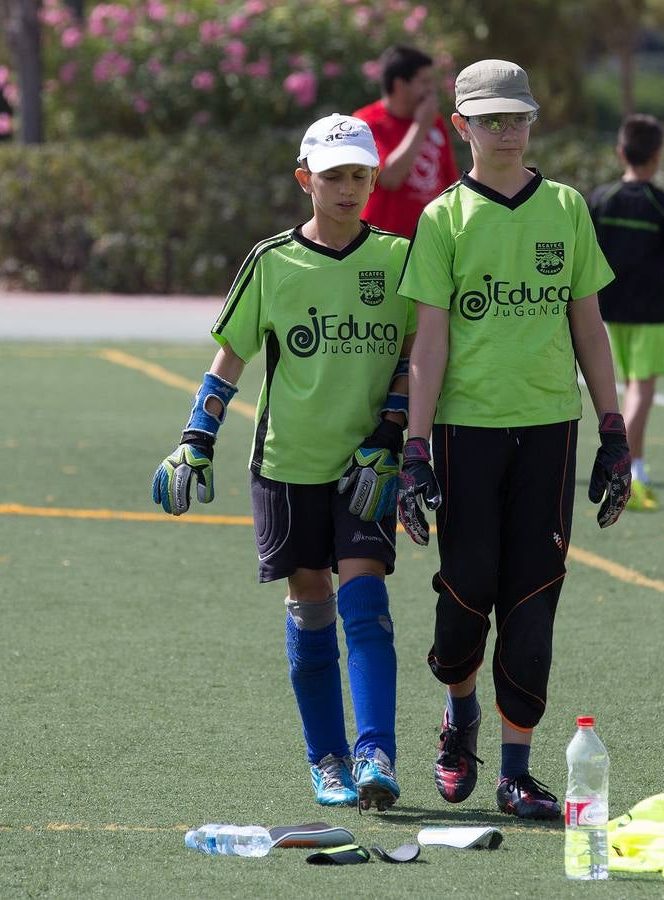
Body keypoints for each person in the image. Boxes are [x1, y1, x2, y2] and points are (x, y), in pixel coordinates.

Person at [151, 113, 418, 812]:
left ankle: (376, 754)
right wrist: (195, 437)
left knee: (368, 606)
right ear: (306, 179)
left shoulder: (397, 257)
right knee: (311, 609)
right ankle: (327, 758)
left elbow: (414, 358)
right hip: (287, 465)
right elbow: (230, 357)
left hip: (367, 469)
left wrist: (390, 436)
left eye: (360, 174)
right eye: (333, 176)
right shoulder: (272, 260)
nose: (348, 188)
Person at [393, 59, 632, 820]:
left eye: (517, 117)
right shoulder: (441, 218)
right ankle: (458, 719)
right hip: (465, 434)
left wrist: (613, 430)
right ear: (460, 126)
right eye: (490, 119)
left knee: (532, 601)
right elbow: (428, 342)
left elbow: (588, 326)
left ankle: (516, 770)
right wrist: (416, 446)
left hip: (548, 434)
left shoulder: (564, 208)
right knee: (466, 594)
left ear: (532, 122)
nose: (506, 131)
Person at [588, 114, 664, 511]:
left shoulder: (600, 199)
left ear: (621, 152)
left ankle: (636, 467)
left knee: (627, 387)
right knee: (640, 390)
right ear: (658, 155)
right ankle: (630, 470)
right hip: (650, 313)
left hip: (605, 310)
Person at [353, 45, 460, 238]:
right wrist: (420, 127)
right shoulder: (365, 123)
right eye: (425, 82)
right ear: (400, 85)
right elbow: (390, 178)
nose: (431, 90)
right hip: (384, 244)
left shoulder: (434, 121)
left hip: (430, 241)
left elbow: (449, 185)